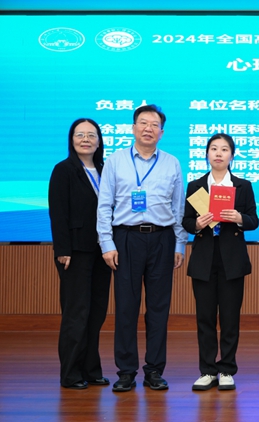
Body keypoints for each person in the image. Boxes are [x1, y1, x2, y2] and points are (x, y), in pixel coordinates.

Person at [97, 104, 188, 392]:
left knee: (158, 308)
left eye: (154, 124)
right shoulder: (115, 161)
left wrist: (180, 243)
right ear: (133, 128)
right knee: (126, 307)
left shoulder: (172, 163)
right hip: (125, 239)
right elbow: (104, 204)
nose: (148, 128)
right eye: (143, 123)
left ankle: (155, 370)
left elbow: (178, 206)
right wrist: (106, 242)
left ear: (162, 132)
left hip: (162, 238)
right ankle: (126, 371)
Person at [182, 134, 259, 391]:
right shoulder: (195, 186)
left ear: (231, 156)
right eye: (214, 149)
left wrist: (239, 218)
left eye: (224, 149)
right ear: (206, 154)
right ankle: (207, 370)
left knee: (229, 318)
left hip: (231, 259)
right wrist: (196, 224)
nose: (218, 153)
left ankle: (226, 369)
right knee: (204, 318)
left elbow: (254, 220)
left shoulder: (243, 186)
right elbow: (186, 221)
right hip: (204, 258)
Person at [48, 118, 112, 389]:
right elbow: (58, 212)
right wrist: (62, 249)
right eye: (80, 134)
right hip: (75, 252)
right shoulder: (64, 170)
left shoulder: (106, 170)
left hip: (102, 251)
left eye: (91, 135)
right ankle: (71, 373)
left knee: (96, 313)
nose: (86, 139)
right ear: (71, 139)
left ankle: (91, 369)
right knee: (76, 313)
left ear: (99, 141)